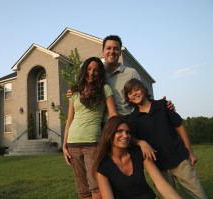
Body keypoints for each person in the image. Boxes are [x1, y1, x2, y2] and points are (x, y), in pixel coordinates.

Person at [124, 78, 207, 199]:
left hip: (179, 159)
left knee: (197, 194)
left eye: (136, 89)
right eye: (130, 93)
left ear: (144, 89)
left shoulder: (162, 105)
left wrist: (190, 151)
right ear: (128, 98)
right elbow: (131, 139)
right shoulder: (133, 119)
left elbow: (179, 125)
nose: (134, 94)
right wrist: (141, 142)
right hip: (158, 166)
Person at [67, 35, 174, 116]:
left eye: (116, 49)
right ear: (103, 51)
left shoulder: (131, 73)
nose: (112, 51)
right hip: (103, 126)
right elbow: (84, 89)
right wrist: (72, 91)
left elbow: (144, 99)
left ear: (120, 52)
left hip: (128, 122)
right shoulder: (97, 74)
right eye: (108, 48)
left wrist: (163, 106)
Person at [63, 57, 118, 199]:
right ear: (84, 70)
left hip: (93, 144)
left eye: (95, 70)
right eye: (88, 69)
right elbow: (69, 120)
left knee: (96, 187)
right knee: (83, 189)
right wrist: (64, 146)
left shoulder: (104, 88)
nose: (91, 73)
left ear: (99, 73)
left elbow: (113, 115)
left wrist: (111, 139)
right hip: (73, 144)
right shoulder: (75, 92)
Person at [93, 115, 182, 199]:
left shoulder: (138, 153)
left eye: (127, 132)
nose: (125, 136)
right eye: (119, 131)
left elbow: (160, 183)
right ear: (109, 134)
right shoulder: (103, 166)